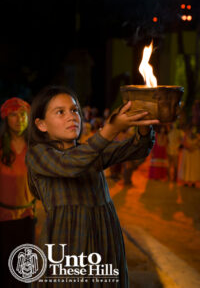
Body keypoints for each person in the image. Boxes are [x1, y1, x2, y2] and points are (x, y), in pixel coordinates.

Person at [26, 85, 159, 287]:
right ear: (41, 124)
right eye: (60, 112)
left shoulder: (90, 152)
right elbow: (69, 165)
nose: (71, 117)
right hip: (68, 239)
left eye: (74, 110)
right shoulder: (38, 154)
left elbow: (137, 148)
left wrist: (142, 123)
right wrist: (111, 129)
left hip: (104, 235)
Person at [0, 97, 35, 288]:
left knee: (23, 272)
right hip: (2, 218)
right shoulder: (0, 147)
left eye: (22, 114)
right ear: (6, 118)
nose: (19, 118)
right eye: (13, 115)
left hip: (26, 218)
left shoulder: (36, 148)